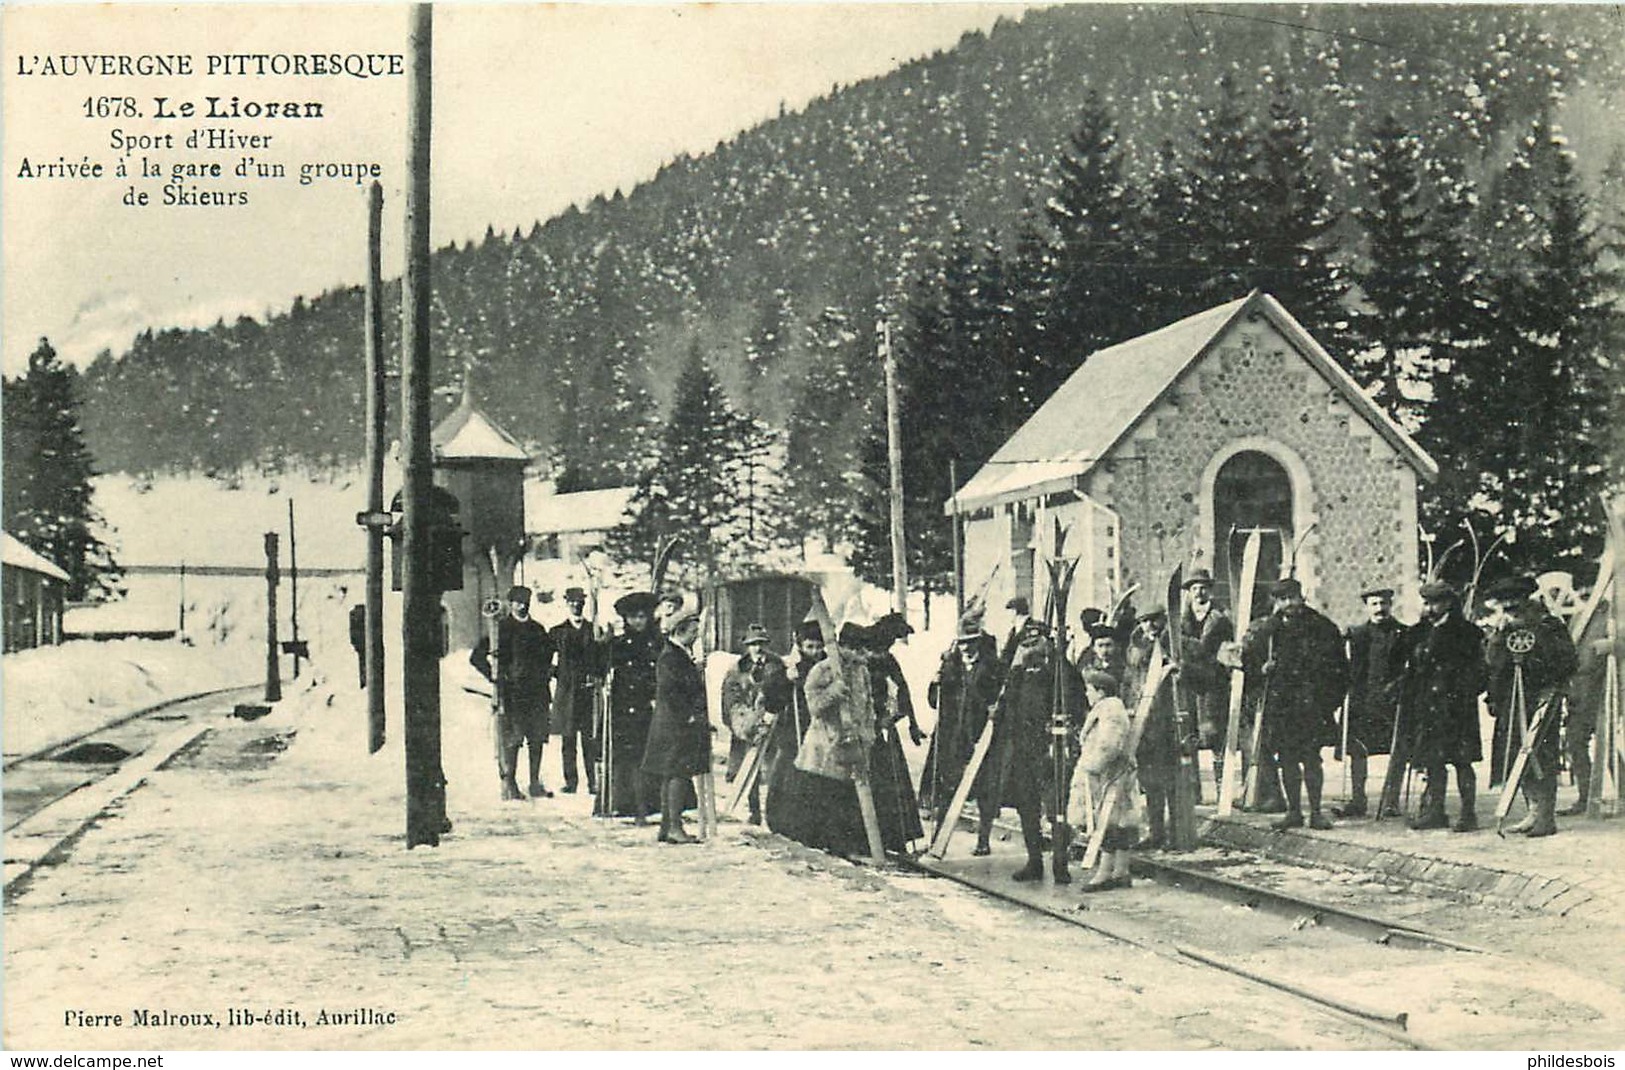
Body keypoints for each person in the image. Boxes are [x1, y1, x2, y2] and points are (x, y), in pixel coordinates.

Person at [1242, 578, 1349, 830]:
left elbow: (1340, 669)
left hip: (1312, 706)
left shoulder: (1322, 627)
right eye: (1283, 599)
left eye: (1293, 597)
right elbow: (1247, 667)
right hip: (1281, 708)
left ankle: (1315, 812)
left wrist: (1328, 701)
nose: (1289, 604)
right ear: (1276, 602)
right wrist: (1261, 670)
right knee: (1287, 759)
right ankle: (1294, 812)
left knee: (1311, 759)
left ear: (1302, 597)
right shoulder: (1267, 630)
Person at [984, 620, 1085, 883]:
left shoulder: (1062, 672)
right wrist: (999, 714)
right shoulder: (1017, 675)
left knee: (1056, 808)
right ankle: (1034, 862)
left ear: (1047, 643)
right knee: (1027, 807)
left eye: (1035, 642)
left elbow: (1078, 705)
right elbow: (1006, 708)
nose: (1030, 648)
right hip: (1022, 751)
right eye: (1025, 643)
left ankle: (1060, 864)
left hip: (1053, 750)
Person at [1483, 575, 1579, 837]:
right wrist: (1497, 640)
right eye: (1505, 606)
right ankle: (1532, 811)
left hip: (1540, 701)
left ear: (1526, 601)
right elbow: (1493, 666)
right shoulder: (1501, 630)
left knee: (1540, 756)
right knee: (1515, 755)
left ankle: (1546, 817)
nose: (1510, 610)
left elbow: (1568, 661)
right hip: (1511, 702)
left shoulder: (1549, 626)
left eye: (1515, 605)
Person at [1403, 581, 1486, 831]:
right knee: (1433, 761)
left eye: (1435, 603)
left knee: (1462, 761)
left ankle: (1468, 814)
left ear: (1448, 603)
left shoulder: (1468, 632)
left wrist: (1465, 690)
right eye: (1426, 603)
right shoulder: (1418, 632)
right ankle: (1435, 812)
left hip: (1456, 707)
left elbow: (1480, 670)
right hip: (1428, 706)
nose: (1430, 608)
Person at [796, 623, 881, 858]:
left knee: (848, 797)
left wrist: (868, 733)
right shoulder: (822, 670)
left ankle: (845, 846)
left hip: (854, 743)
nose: (863, 654)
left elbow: (867, 704)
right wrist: (833, 692)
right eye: (859, 649)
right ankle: (827, 847)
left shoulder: (861, 670)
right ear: (845, 647)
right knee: (829, 797)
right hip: (826, 747)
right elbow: (814, 707)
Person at [922, 612, 1004, 848]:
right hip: (952, 737)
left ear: (979, 642)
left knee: (983, 790)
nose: (966, 647)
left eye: (971, 641)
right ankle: (939, 839)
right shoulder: (950, 665)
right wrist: (935, 683)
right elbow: (934, 701)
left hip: (980, 736)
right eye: (962, 642)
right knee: (947, 787)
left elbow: (998, 698)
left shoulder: (992, 667)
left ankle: (983, 840)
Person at [470, 585, 556, 800]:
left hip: (537, 693)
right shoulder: (501, 629)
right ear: (511, 604)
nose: (522, 606)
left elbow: (548, 656)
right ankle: (511, 782)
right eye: (517, 602)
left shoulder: (538, 629)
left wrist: (547, 673)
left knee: (536, 738)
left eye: (525, 602)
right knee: (514, 739)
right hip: (513, 693)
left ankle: (535, 782)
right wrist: (494, 676)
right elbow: (477, 656)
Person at [1340, 585, 1411, 819]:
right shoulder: (1357, 634)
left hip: (1393, 701)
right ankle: (1358, 800)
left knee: (1397, 750)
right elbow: (1348, 668)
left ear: (1391, 605)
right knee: (1358, 751)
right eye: (1374, 604)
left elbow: (1411, 668)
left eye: (1383, 603)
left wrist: (1400, 685)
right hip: (1363, 701)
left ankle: (1391, 801)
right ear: (1367, 607)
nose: (1380, 608)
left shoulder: (1403, 633)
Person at [763, 619, 833, 846]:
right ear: (800, 645)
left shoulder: (829, 667)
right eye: (809, 646)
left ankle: (814, 828)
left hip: (820, 728)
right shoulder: (791, 667)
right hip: (794, 729)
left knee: (816, 780)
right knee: (789, 776)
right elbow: (771, 701)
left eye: (818, 646)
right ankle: (784, 823)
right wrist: (784, 679)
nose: (814, 652)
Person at [643, 606, 709, 844]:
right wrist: (689, 715)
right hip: (676, 725)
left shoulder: (677, 654)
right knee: (678, 775)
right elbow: (671, 691)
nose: (696, 635)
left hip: (672, 724)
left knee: (672, 774)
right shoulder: (671, 657)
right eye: (693, 631)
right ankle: (674, 827)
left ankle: (667, 827)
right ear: (681, 630)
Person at [1069, 670, 1140, 892]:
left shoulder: (1110, 709)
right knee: (1119, 823)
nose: (1087, 694)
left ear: (1100, 691)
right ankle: (1120, 871)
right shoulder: (1110, 707)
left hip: (1110, 775)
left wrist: (1092, 765)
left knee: (1108, 822)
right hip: (1114, 774)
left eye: (1089, 690)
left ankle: (1104, 873)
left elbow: (1109, 744)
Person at [863, 613, 927, 852]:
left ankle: (896, 836)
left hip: (885, 728)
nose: (890, 646)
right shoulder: (862, 657)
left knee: (893, 782)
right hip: (866, 727)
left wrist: (911, 722)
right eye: (889, 640)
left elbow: (903, 689)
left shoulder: (888, 659)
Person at [720, 622, 788, 825]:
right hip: (747, 724)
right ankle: (754, 810)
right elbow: (729, 696)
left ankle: (774, 811)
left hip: (772, 721)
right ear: (746, 646)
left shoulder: (776, 665)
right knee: (750, 769)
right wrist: (739, 722)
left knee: (774, 766)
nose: (757, 648)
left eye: (761, 643)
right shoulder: (737, 669)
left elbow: (784, 692)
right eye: (753, 644)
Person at [603, 591, 661, 821]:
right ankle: (623, 803)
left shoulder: (657, 643)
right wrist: (601, 646)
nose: (637, 621)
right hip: (623, 707)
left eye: (641, 616)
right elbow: (602, 668)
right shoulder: (617, 644)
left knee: (648, 754)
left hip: (649, 706)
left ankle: (650, 805)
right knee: (627, 755)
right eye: (632, 617)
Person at [1178, 569, 1234, 802]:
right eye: (1194, 588)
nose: (1199, 592)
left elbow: (1225, 651)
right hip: (1188, 685)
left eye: (1203, 587)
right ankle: (1193, 791)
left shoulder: (1220, 620)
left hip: (1212, 685)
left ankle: (1223, 790)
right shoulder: (1180, 621)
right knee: (1188, 738)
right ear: (1189, 593)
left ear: (1210, 591)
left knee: (1214, 736)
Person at [1125, 608, 1177, 849]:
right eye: (1145, 621)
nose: (1150, 626)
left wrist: (1178, 669)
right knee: (1149, 781)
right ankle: (1156, 832)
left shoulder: (1175, 644)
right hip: (1143, 722)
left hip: (1168, 721)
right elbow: (1128, 684)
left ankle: (1176, 832)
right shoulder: (1135, 651)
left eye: (1154, 621)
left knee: (1171, 781)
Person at [551, 586, 606, 795]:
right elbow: (545, 658)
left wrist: (597, 675)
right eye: (572, 601)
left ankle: (593, 781)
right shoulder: (558, 632)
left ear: (584, 604)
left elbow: (601, 660)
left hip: (588, 691)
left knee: (590, 738)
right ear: (567, 603)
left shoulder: (593, 630)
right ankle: (571, 781)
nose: (576, 605)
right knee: (568, 738)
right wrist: (558, 673)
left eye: (579, 601)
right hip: (567, 692)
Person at [1562, 593, 1610, 816]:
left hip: (1608, 688)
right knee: (1575, 741)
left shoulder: (1615, 615)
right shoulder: (1579, 616)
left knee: (1611, 745)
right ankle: (1586, 796)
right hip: (1580, 689)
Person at [1000, 596, 1032, 670]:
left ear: (1014, 612)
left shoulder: (1032, 629)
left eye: (1008, 612)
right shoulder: (1013, 631)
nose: (1005, 617)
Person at [348, 602, 367, 689]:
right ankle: (364, 682)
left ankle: (364, 682)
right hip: (361, 644)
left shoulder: (353, 614)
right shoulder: (354, 614)